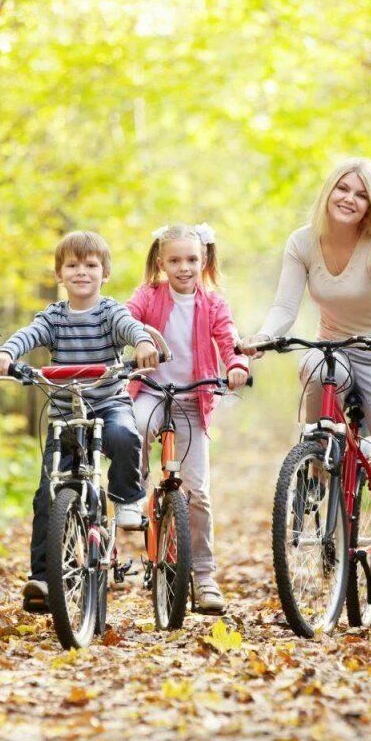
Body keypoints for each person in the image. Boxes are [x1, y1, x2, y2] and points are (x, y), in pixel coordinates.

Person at [241, 157, 371, 621]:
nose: (350, 199)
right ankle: (315, 465)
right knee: (320, 368)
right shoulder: (302, 242)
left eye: (361, 194)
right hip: (333, 348)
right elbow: (285, 307)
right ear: (329, 191)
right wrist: (264, 336)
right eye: (343, 188)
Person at [0, 230, 159, 613]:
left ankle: (128, 497)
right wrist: (5, 352)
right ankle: (43, 579)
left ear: (105, 273)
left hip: (107, 401)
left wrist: (144, 343)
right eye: (73, 265)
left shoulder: (110, 311)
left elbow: (131, 329)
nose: (82, 272)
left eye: (91, 265)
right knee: (48, 494)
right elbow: (27, 336)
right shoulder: (53, 317)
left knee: (123, 434)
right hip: (66, 411)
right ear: (59, 274)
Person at [126, 223, 250, 614]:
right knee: (135, 428)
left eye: (192, 259)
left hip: (192, 400)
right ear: (161, 262)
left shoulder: (213, 304)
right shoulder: (148, 295)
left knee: (197, 491)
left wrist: (236, 363)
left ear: (204, 260)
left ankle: (205, 574)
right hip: (149, 391)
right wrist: (136, 339)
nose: (184, 267)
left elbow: (228, 339)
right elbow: (125, 319)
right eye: (175, 260)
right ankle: (133, 493)